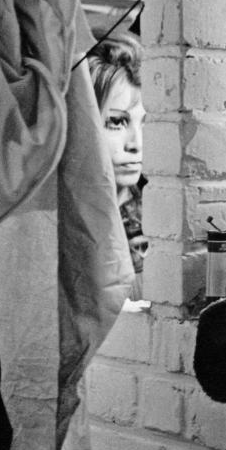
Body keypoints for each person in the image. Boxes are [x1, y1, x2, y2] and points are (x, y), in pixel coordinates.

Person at [87, 29, 147, 298]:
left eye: (146, 122)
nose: (136, 143)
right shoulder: (57, 221)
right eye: (117, 122)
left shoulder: (158, 218)